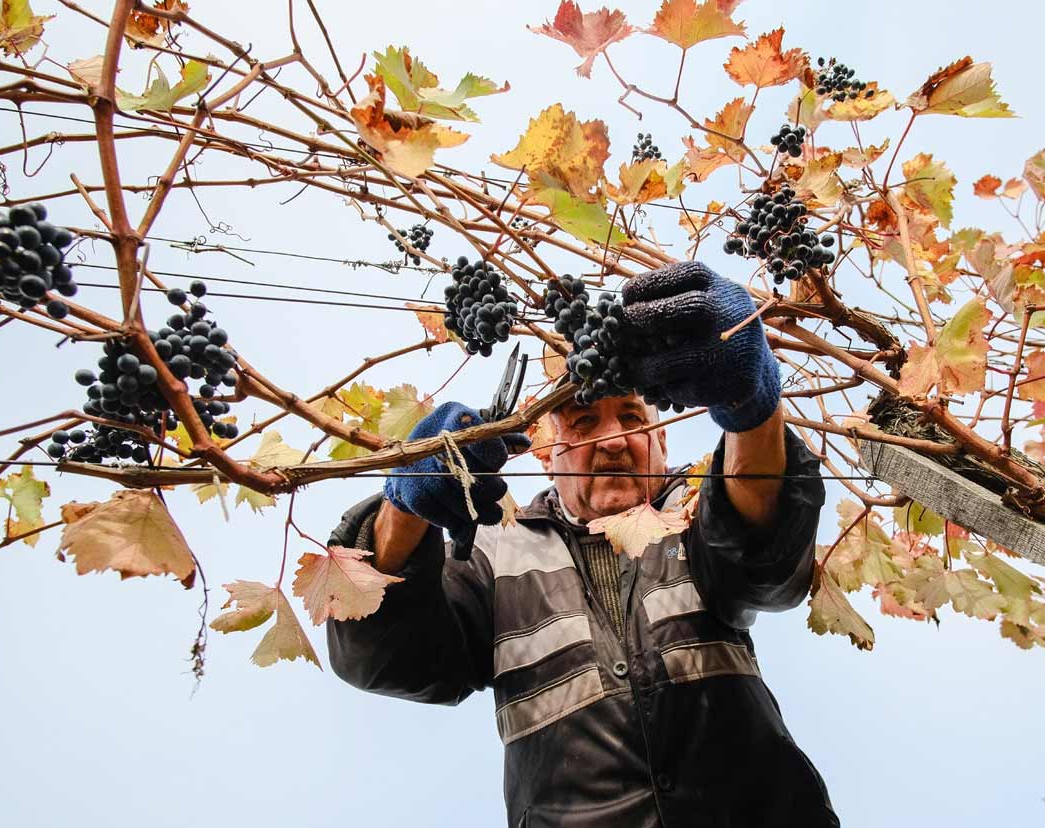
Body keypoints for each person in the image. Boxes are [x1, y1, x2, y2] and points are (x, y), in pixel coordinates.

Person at [326, 262, 838, 827]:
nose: (614, 440)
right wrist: (406, 503)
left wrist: (751, 406)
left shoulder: (693, 512)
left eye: (631, 416)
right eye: (584, 421)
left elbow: (765, 564)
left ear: (663, 439)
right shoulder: (493, 550)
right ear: (546, 452)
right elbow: (383, 658)